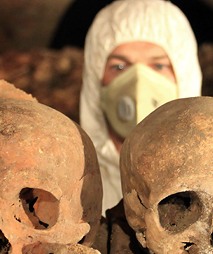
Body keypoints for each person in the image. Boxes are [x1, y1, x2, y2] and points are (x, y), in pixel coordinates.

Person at [80, 0, 202, 214]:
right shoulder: (72, 179)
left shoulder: (209, 175)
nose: (138, 82)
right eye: (119, 66)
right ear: (94, 80)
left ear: (185, 76)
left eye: (158, 65)